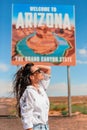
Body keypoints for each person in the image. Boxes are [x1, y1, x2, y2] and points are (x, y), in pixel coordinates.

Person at [13, 62, 51, 130]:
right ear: (32, 77)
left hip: (45, 126)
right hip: (36, 127)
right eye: (38, 71)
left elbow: (48, 69)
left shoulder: (41, 88)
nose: (41, 72)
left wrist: (35, 66)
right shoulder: (29, 92)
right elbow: (27, 114)